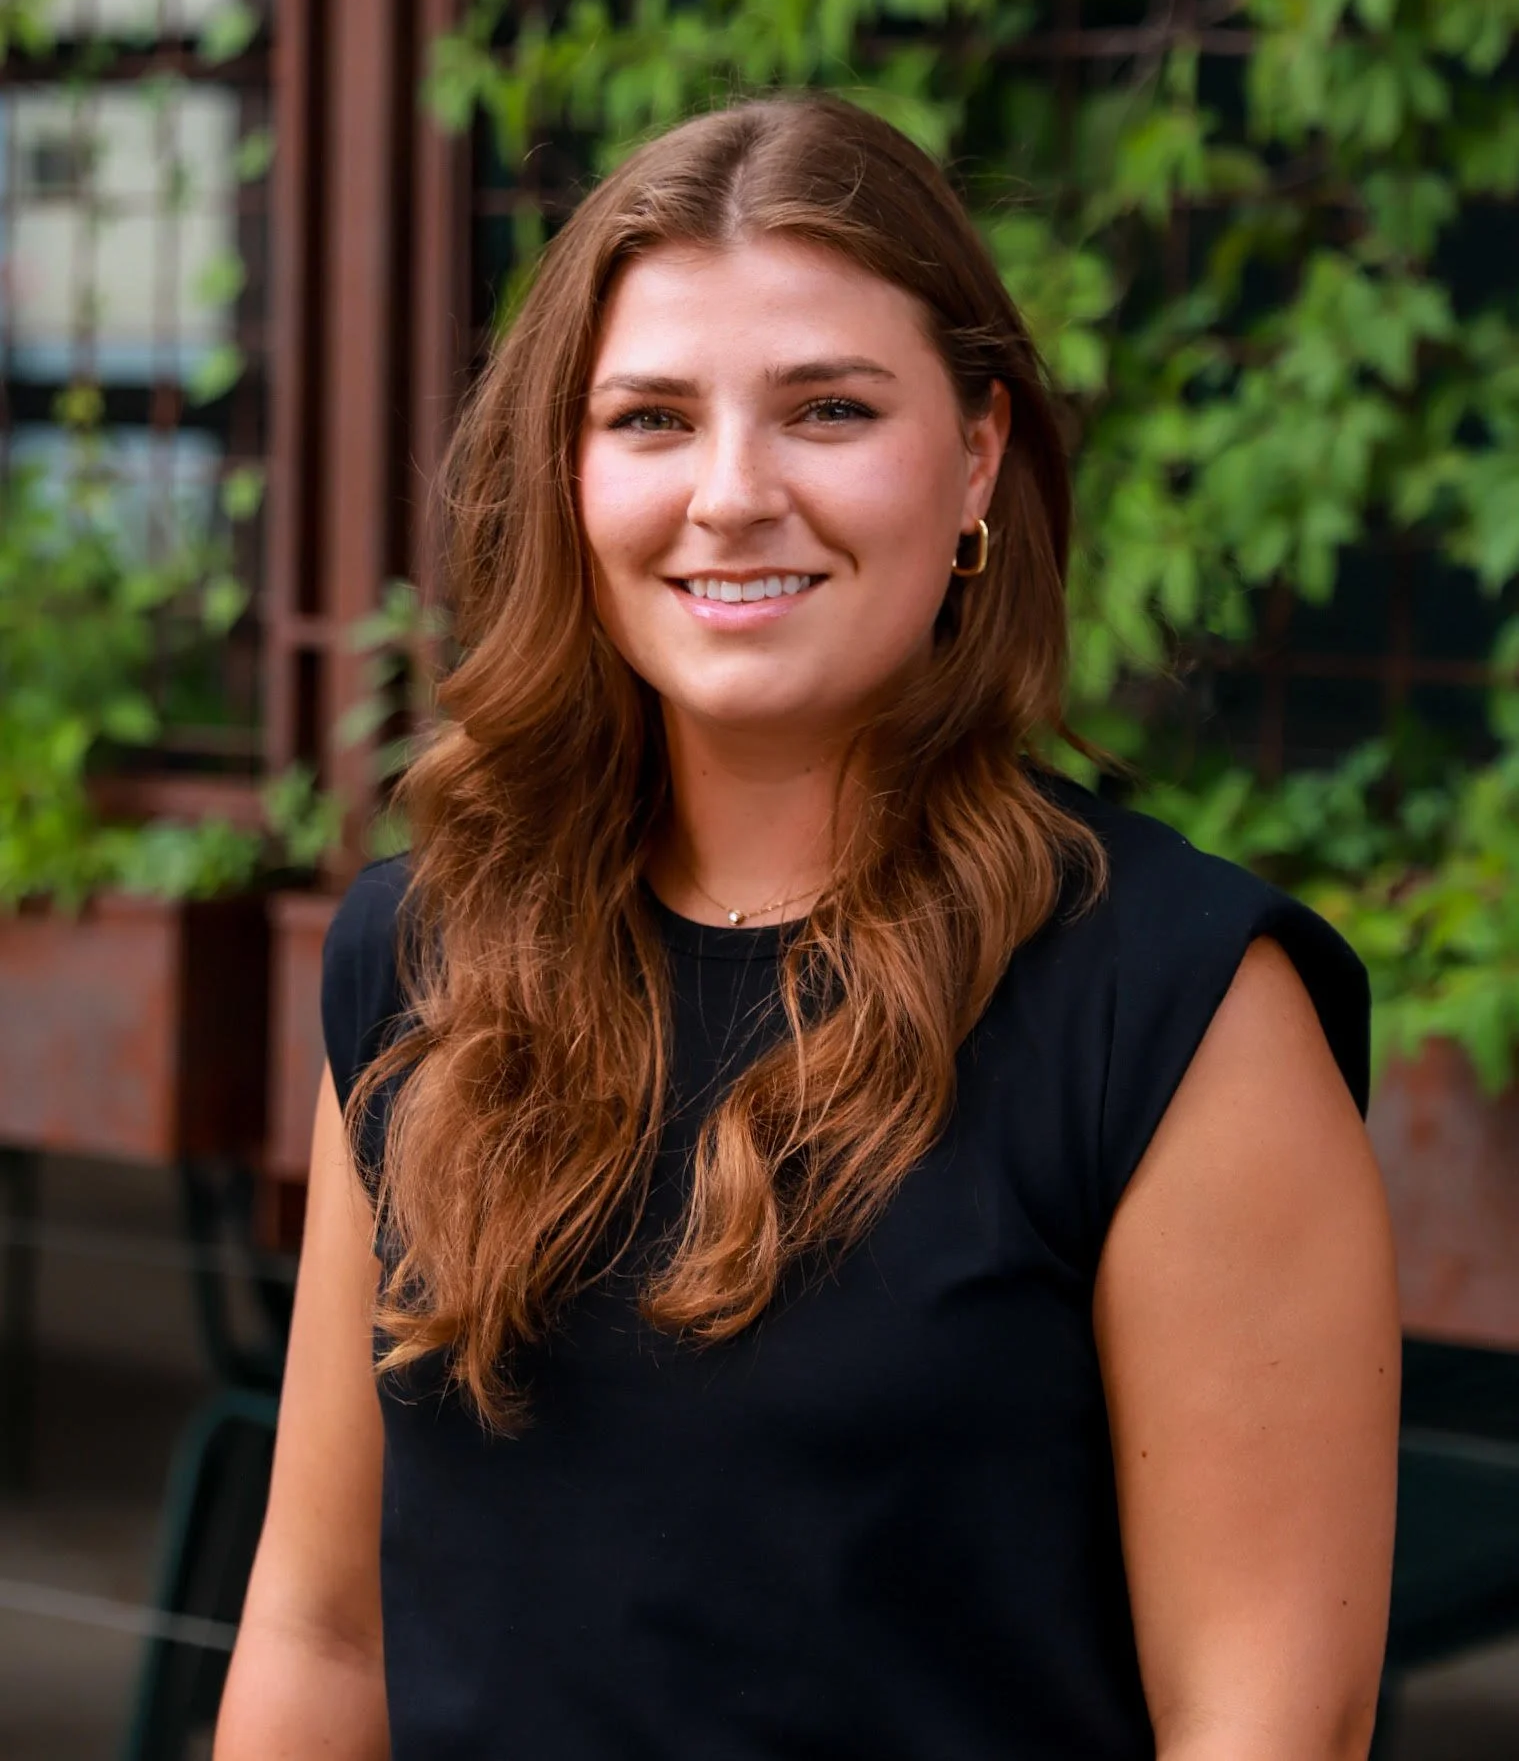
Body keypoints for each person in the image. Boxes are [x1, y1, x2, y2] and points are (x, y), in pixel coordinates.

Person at [215, 94, 1399, 1761]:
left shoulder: (1176, 1009)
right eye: (648, 418)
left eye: (827, 408)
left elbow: (1270, 1721)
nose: (730, 494)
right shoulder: (422, 959)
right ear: (567, 470)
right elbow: (320, 1634)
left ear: (978, 452)